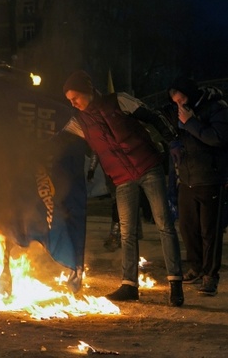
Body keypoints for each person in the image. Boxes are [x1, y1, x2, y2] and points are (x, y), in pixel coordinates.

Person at [61, 70, 184, 306]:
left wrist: (173, 140)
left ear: (88, 91)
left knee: (164, 225)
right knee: (127, 232)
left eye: (75, 97)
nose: (73, 103)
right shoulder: (78, 122)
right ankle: (129, 286)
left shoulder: (118, 101)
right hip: (121, 178)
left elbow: (153, 117)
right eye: (69, 100)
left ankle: (175, 284)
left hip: (148, 166)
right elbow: (59, 141)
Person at [166, 76, 228, 296]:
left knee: (209, 231)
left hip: (210, 178)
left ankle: (210, 275)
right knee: (188, 227)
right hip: (188, 179)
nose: (179, 105)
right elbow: (178, 137)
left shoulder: (217, 108)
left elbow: (218, 139)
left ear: (190, 94)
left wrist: (191, 122)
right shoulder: (182, 113)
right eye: (175, 102)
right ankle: (196, 267)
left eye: (181, 99)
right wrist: (174, 143)